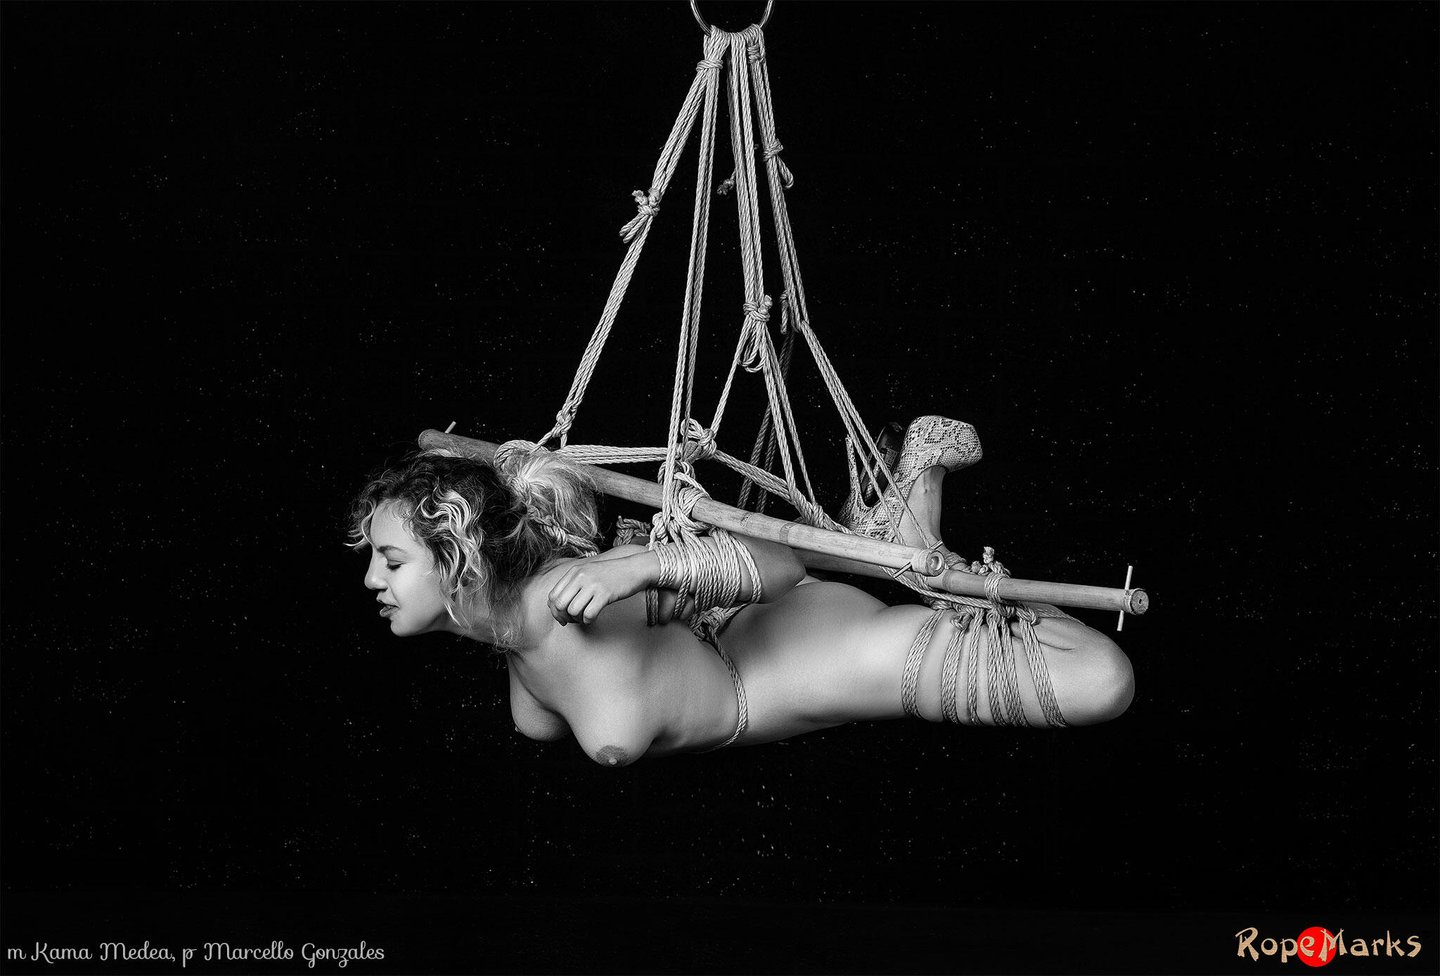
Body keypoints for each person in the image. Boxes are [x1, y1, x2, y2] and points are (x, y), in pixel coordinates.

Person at [348, 419, 1135, 767]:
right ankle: (898, 529)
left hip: (802, 663)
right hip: (739, 647)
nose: (372, 580)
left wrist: (640, 569)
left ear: (460, 558)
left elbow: (779, 562)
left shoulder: (566, 598)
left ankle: (924, 549)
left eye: (390, 559)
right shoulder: (508, 619)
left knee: (1101, 681)